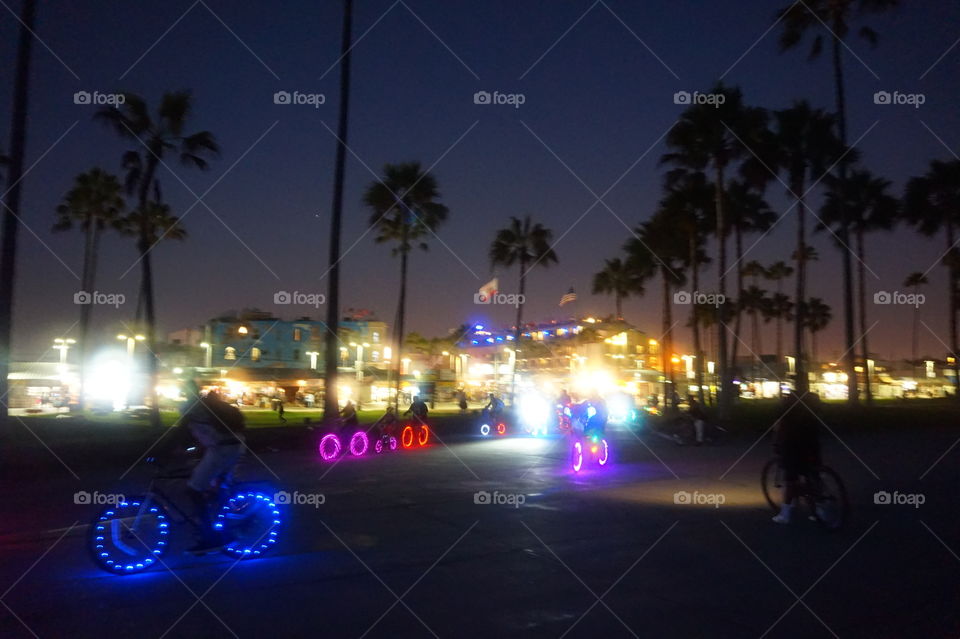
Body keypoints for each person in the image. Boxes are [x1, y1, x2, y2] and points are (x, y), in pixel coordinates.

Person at [174, 382, 246, 553]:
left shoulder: (191, 408)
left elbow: (179, 433)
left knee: (194, 489)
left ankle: (210, 537)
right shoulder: (202, 405)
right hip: (230, 445)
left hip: (223, 449)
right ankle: (216, 521)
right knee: (212, 485)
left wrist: (160, 453)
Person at [771, 392, 822, 524]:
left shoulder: (785, 415)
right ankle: (820, 510)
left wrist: (776, 446)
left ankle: (785, 515)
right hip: (811, 446)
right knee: (813, 475)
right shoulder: (810, 413)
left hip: (792, 447)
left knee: (791, 480)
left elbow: (779, 433)